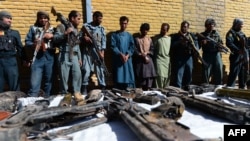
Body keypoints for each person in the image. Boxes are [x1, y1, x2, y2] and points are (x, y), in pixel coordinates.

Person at [53, 10, 83, 103]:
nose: (79, 21)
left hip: (74, 55)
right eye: (78, 19)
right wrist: (65, 33)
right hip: (64, 54)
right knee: (63, 76)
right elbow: (55, 39)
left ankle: (77, 93)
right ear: (72, 18)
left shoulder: (76, 29)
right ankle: (65, 94)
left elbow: (77, 45)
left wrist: (79, 57)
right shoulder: (61, 26)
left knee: (77, 74)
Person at [25, 11, 55, 97]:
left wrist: (52, 36)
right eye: (41, 18)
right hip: (37, 56)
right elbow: (27, 41)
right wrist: (34, 44)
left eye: (45, 18)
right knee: (34, 81)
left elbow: (59, 40)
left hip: (49, 55)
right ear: (38, 19)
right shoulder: (33, 28)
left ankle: (47, 98)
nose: (43, 20)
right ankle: (32, 99)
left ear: (48, 19)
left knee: (48, 80)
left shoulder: (53, 29)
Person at [0, 11, 28, 92]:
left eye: (11, 19)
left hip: (10, 61)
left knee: (14, 85)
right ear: (1, 19)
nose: (10, 20)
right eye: (8, 18)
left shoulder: (14, 33)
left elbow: (20, 48)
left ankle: (16, 102)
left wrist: (24, 59)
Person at [81, 11, 106, 95]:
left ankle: (102, 86)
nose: (100, 21)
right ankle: (84, 87)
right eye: (99, 19)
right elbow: (80, 38)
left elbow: (103, 42)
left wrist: (102, 53)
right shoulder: (86, 26)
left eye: (101, 19)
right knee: (86, 70)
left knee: (100, 70)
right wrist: (85, 38)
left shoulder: (101, 29)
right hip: (88, 51)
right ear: (94, 18)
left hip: (98, 51)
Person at [170, 21, 199, 88]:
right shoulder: (176, 36)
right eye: (182, 26)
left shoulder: (191, 36)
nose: (183, 28)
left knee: (189, 74)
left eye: (185, 27)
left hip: (189, 57)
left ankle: (187, 88)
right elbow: (172, 46)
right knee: (179, 75)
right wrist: (180, 42)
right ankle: (178, 89)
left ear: (188, 28)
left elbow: (196, 46)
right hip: (180, 57)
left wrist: (193, 48)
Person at [111, 16, 135, 90]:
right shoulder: (114, 35)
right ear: (119, 23)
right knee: (119, 75)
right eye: (122, 23)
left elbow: (132, 47)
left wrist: (127, 55)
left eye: (125, 23)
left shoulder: (129, 35)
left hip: (127, 60)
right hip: (119, 59)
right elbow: (113, 46)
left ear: (127, 24)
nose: (123, 25)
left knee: (128, 75)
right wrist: (120, 54)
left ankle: (128, 89)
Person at [198, 18, 223, 86]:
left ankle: (218, 86)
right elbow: (198, 46)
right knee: (206, 72)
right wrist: (203, 43)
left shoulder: (216, 34)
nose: (212, 26)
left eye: (213, 24)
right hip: (207, 55)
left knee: (218, 71)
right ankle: (205, 86)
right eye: (210, 24)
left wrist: (220, 47)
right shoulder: (202, 35)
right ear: (206, 25)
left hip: (216, 54)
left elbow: (221, 43)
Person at [226, 18, 248, 89]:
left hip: (243, 56)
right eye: (240, 25)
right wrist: (237, 50)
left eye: (242, 25)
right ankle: (230, 89)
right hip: (235, 56)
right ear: (236, 24)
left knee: (243, 73)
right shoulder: (231, 33)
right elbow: (229, 43)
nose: (242, 26)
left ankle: (242, 88)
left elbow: (246, 44)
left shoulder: (242, 33)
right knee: (234, 73)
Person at [134, 23, 156, 90]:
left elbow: (152, 49)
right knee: (140, 76)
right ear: (141, 30)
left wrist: (147, 52)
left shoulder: (149, 39)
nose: (145, 31)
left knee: (149, 76)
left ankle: (148, 89)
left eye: (146, 30)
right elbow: (134, 49)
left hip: (148, 60)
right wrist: (140, 54)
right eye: (143, 30)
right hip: (140, 60)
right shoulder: (137, 39)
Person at [153, 23, 171, 88]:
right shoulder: (156, 38)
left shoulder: (169, 39)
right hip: (159, 59)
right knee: (159, 76)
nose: (162, 31)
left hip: (166, 60)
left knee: (166, 77)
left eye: (164, 30)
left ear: (167, 30)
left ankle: (165, 91)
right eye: (161, 29)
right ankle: (159, 91)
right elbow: (153, 49)